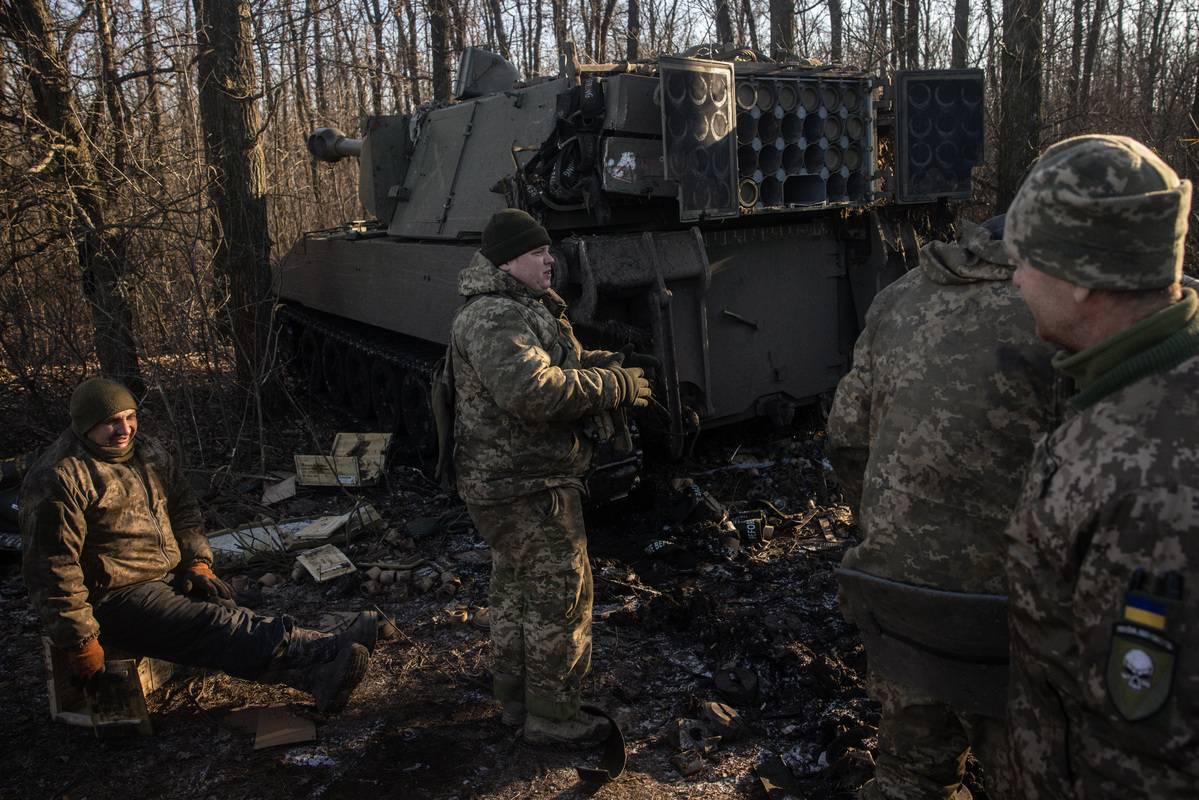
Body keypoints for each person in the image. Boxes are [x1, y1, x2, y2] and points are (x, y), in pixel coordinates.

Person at [826, 217, 1062, 799]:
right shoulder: (1063, 311)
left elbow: (847, 438)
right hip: (1009, 616)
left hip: (897, 599)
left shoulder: (898, 297)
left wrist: (885, 527)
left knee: (907, 778)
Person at [1002, 134, 1198, 797]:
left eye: (1025, 259)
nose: (1015, 278)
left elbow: (1145, 751)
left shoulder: (1153, 480)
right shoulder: (1136, 392)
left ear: (1083, 276)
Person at [21, 377, 380, 713]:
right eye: (111, 421)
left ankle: (316, 680)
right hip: (115, 595)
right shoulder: (61, 477)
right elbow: (52, 569)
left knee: (223, 604)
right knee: (213, 623)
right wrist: (80, 640)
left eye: (130, 417)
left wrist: (196, 562)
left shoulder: (145, 451)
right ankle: (325, 647)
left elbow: (182, 508)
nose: (124, 429)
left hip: (165, 575)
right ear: (85, 425)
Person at [450, 208, 652, 747]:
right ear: (507, 260)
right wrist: (613, 388)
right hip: (526, 485)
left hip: (515, 481)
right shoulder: (495, 316)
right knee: (561, 598)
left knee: (520, 594)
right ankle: (554, 719)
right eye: (538, 252)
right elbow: (532, 391)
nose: (550, 261)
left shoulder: (517, 308)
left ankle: (519, 705)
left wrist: (607, 364)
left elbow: (556, 362)